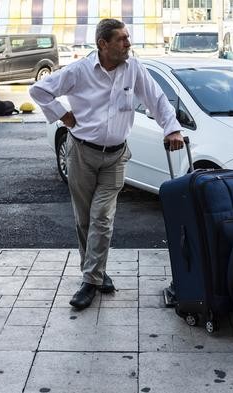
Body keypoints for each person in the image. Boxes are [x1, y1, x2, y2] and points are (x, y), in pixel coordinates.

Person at [30, 18, 184, 310]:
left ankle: (90, 280)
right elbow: (39, 91)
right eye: (122, 39)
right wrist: (63, 115)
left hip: (115, 155)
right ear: (103, 44)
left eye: (127, 38)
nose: (128, 44)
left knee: (102, 216)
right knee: (85, 218)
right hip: (81, 153)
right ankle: (96, 272)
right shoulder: (79, 71)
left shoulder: (134, 68)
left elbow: (157, 99)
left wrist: (171, 128)